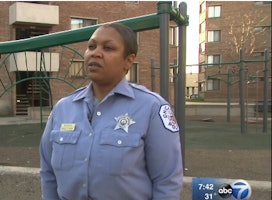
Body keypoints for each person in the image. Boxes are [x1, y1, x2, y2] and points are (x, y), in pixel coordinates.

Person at [39, 23, 183, 200]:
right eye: (91, 46)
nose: (95, 53)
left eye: (108, 48)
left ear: (128, 60)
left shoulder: (152, 108)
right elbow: (48, 173)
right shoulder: (63, 108)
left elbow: (167, 181)